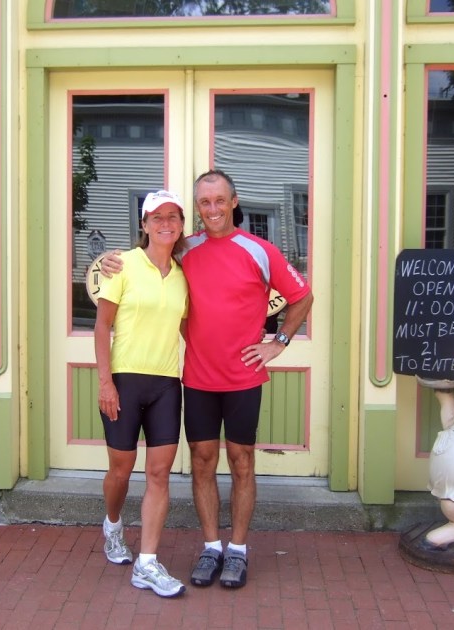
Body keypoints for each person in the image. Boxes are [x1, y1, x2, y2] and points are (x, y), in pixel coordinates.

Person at [102, 170, 314, 589]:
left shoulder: (260, 250)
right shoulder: (186, 250)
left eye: (219, 200)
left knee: (241, 461)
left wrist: (278, 343)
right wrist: (113, 258)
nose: (212, 209)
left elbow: (302, 295)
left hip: (243, 378)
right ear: (197, 209)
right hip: (197, 379)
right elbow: (150, 253)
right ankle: (212, 546)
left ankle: (238, 550)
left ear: (234, 202)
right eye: (204, 202)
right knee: (202, 461)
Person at [95, 189, 189, 598]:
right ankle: (113, 525)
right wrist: (105, 382)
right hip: (125, 381)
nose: (165, 223)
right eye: (157, 217)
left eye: (173, 216)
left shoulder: (184, 274)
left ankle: (147, 564)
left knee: (159, 474)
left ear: (181, 225)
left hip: (167, 383)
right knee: (121, 470)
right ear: (144, 224)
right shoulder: (123, 265)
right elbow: (102, 326)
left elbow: (190, 328)